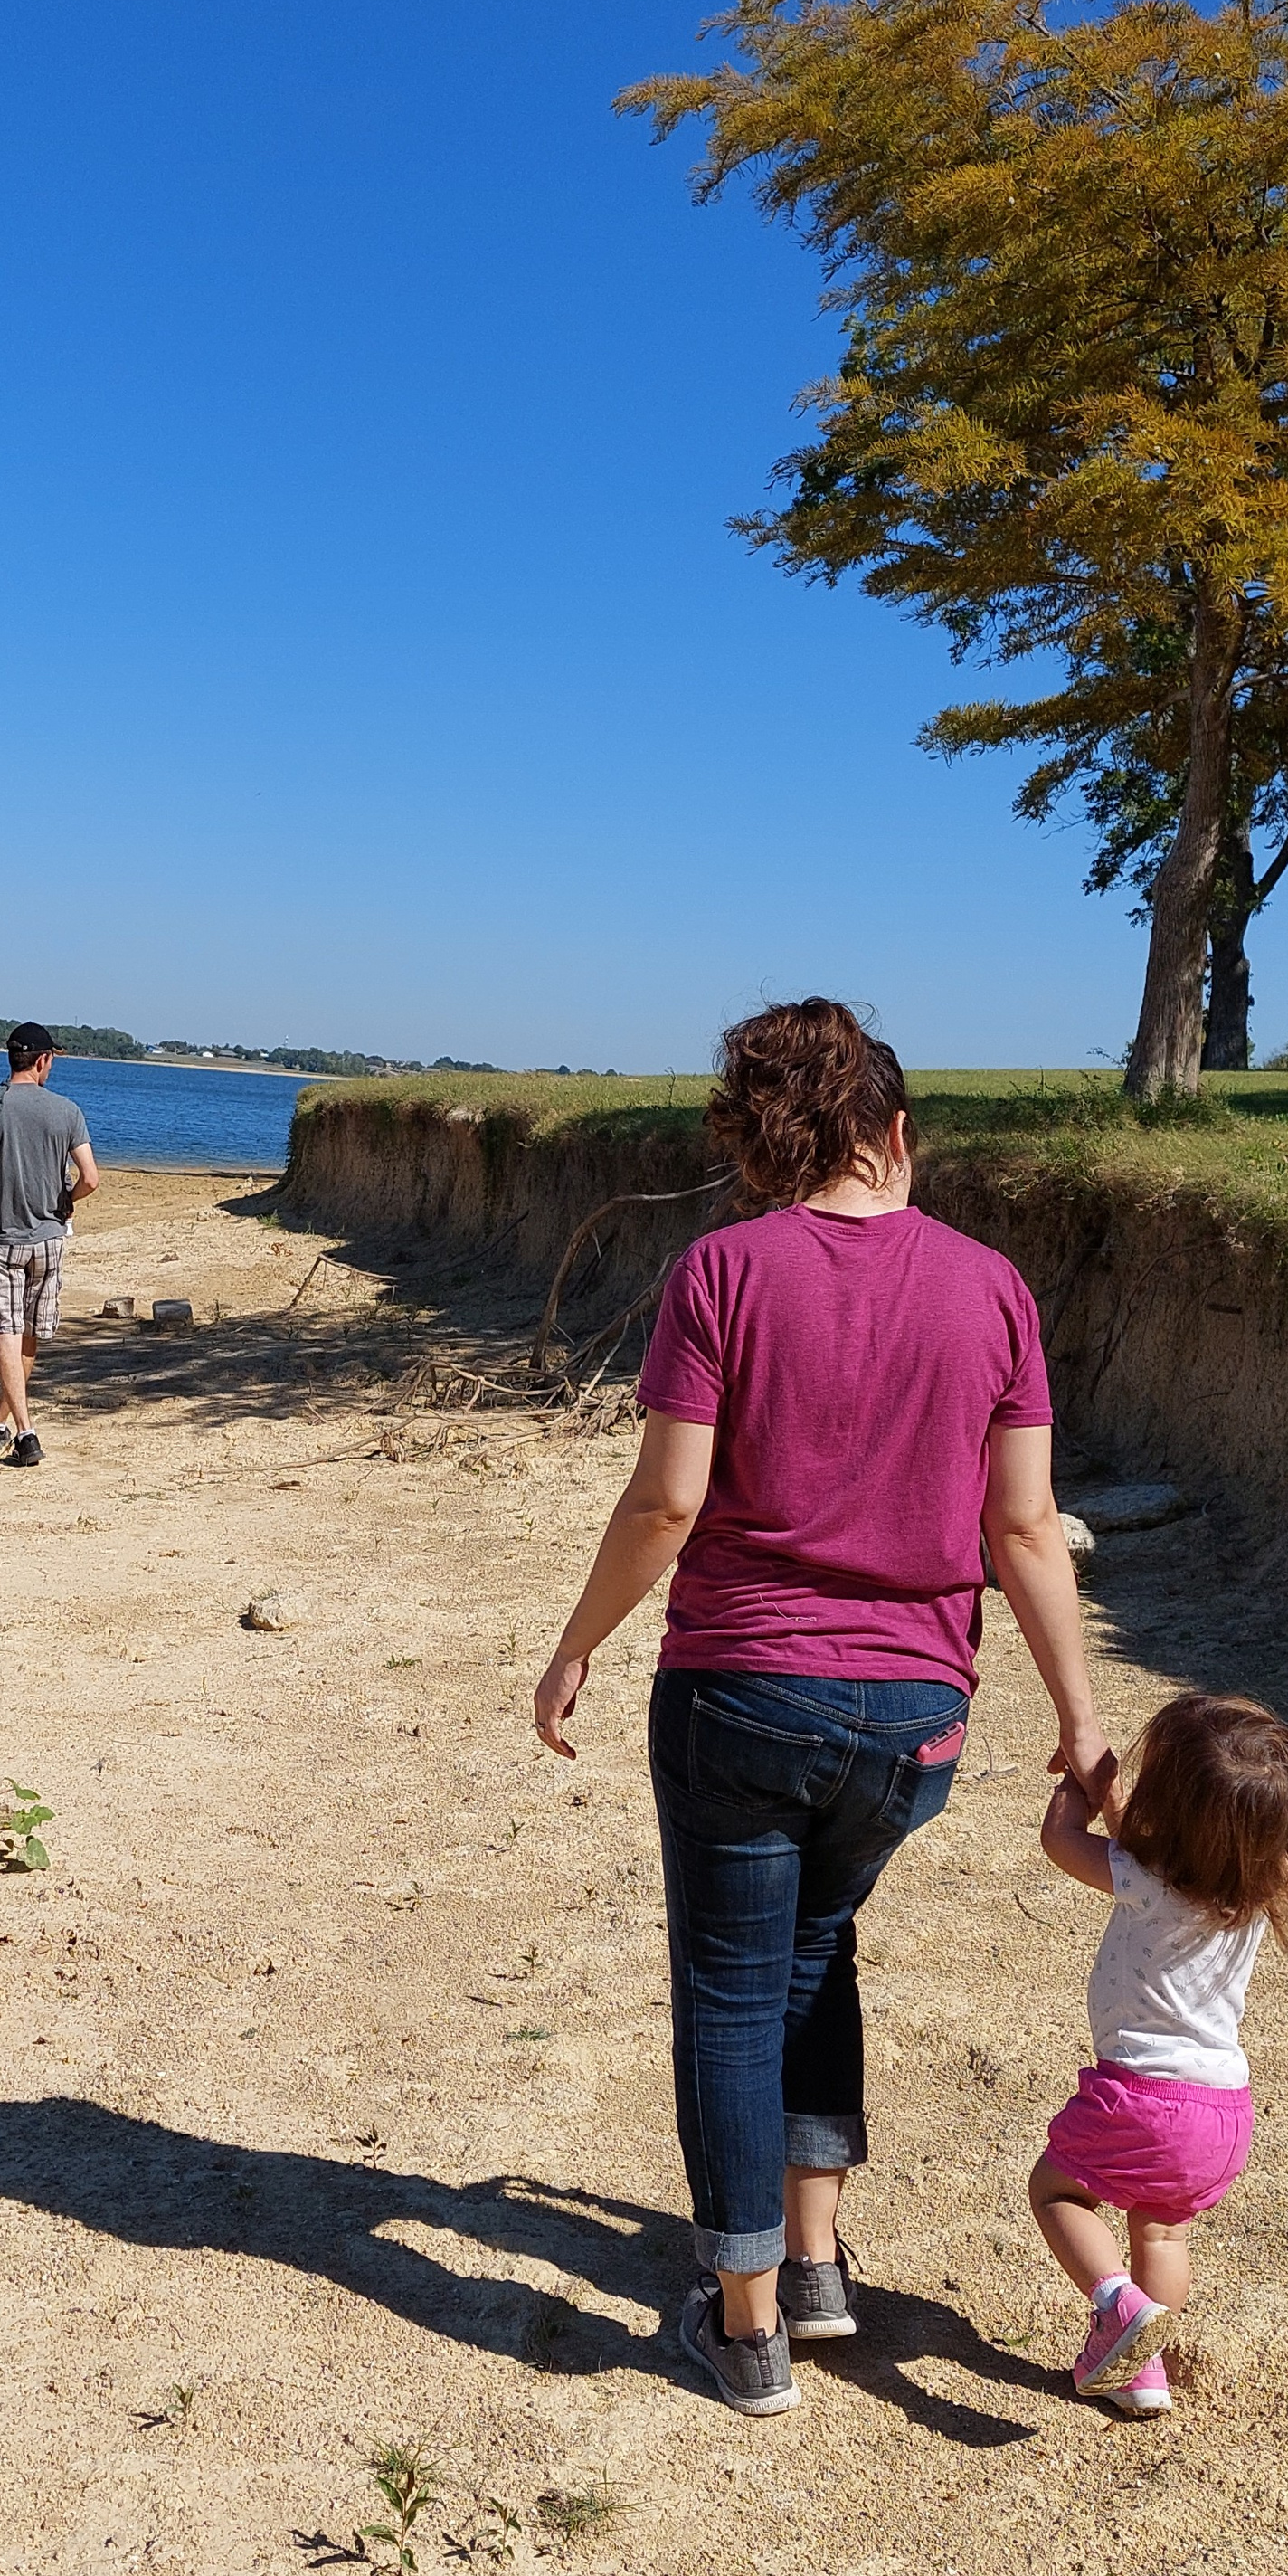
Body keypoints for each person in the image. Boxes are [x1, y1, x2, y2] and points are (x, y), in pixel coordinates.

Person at [531, 997, 1111, 2419]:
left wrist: (577, 1643)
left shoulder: (724, 1270)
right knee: (815, 1950)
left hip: (741, 1689)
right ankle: (814, 2264)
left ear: (767, 1142)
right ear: (896, 1133)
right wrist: (1082, 1718)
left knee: (732, 1997)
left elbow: (668, 1500)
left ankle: (745, 2330)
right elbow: (1025, 1529)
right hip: (917, 1714)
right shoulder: (993, 1288)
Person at [1028, 1692, 1288, 2416]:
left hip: (1143, 2099)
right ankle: (1140, 2368)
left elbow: (1061, 1839)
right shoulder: (1258, 1888)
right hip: (1222, 2115)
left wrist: (1082, 1786)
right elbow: (1170, 1842)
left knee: (1058, 2192)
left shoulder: (1143, 1878)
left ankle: (1116, 2303)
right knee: (1159, 2229)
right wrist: (1115, 1795)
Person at [0, 1022, 97, 1468]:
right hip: (49, 1240)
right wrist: (65, 1200)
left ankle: (18, 1428)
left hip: (2, 1239)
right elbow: (91, 1179)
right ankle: (10, 1427)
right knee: (29, 1332)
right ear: (42, 1060)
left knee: (6, 1331)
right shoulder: (67, 1111)